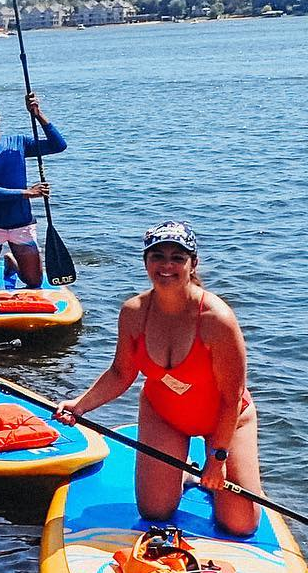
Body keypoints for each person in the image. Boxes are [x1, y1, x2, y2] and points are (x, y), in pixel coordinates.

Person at [56, 222, 260, 536]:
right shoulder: (133, 312)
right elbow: (121, 373)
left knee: (241, 525)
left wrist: (218, 458)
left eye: (177, 257)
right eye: (157, 256)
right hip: (164, 414)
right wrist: (80, 406)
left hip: (226, 419)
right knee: (155, 512)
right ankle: (185, 474)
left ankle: (225, 472)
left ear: (193, 264)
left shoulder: (217, 320)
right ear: (146, 262)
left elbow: (231, 398)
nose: (166, 265)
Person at [0, 92, 65, 288]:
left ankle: (12, 262)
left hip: (21, 223)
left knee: (34, 281)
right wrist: (27, 193)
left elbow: (58, 145)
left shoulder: (18, 143)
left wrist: (38, 114)